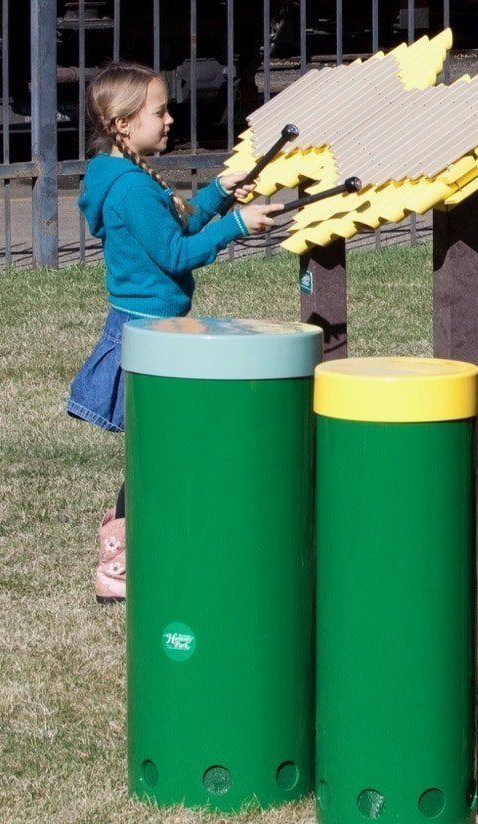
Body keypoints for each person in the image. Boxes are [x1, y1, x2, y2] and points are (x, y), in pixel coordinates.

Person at [68, 62, 282, 602]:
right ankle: (118, 555)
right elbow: (175, 252)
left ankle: (138, 539)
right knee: (160, 448)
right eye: (158, 112)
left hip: (159, 330)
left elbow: (181, 219)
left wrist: (221, 192)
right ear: (122, 125)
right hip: (147, 334)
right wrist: (236, 225)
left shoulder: (127, 174)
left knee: (164, 446)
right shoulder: (131, 190)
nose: (169, 120)